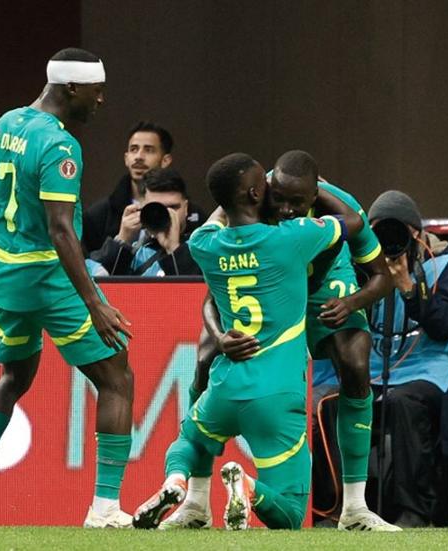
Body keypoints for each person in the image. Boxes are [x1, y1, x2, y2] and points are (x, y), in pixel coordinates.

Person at [0, 48, 135, 529]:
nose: (101, 100)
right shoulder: (60, 145)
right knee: (117, 377)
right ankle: (105, 508)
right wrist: (94, 301)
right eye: (96, 91)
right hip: (46, 272)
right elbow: (60, 230)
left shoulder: (0, 127)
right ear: (72, 89)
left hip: (4, 268)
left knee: (14, 377)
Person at [169, 151, 400, 531]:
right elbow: (215, 293)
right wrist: (218, 334)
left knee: (356, 361)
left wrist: (350, 302)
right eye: (282, 200)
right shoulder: (253, 204)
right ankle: (195, 501)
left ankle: (355, 509)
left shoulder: (340, 205)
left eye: (299, 202)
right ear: (263, 192)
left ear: (317, 195)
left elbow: (381, 277)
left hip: (328, 289)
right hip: (276, 290)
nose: (289, 209)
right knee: (205, 358)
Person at [133, 153, 353, 530]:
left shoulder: (205, 244)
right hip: (275, 398)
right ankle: (247, 486)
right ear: (255, 192)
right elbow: (352, 222)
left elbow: (219, 218)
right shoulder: (292, 238)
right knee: (290, 513)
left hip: (224, 387)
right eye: (264, 184)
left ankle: (175, 482)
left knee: (189, 439)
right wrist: (317, 190)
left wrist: (230, 199)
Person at [367, 190, 448, 527]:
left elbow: (445, 327)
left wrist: (407, 285)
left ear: (417, 234)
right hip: (378, 370)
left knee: (404, 401)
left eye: (395, 232)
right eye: (376, 232)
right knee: (335, 401)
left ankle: (414, 512)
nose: (386, 241)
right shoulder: (365, 271)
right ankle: (340, 507)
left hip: (437, 370)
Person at [81, 121, 205, 254]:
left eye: (149, 150)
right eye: (133, 149)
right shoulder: (98, 215)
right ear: (126, 158)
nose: (139, 157)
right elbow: (90, 269)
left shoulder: (193, 214)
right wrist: (120, 241)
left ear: (165, 160)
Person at [89, 167, 201, 276]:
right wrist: (122, 241)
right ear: (142, 208)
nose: (165, 214)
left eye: (173, 207)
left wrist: (174, 249)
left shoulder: (203, 249)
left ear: (186, 208)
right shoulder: (134, 253)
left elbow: (197, 292)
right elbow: (96, 286)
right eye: (157, 208)